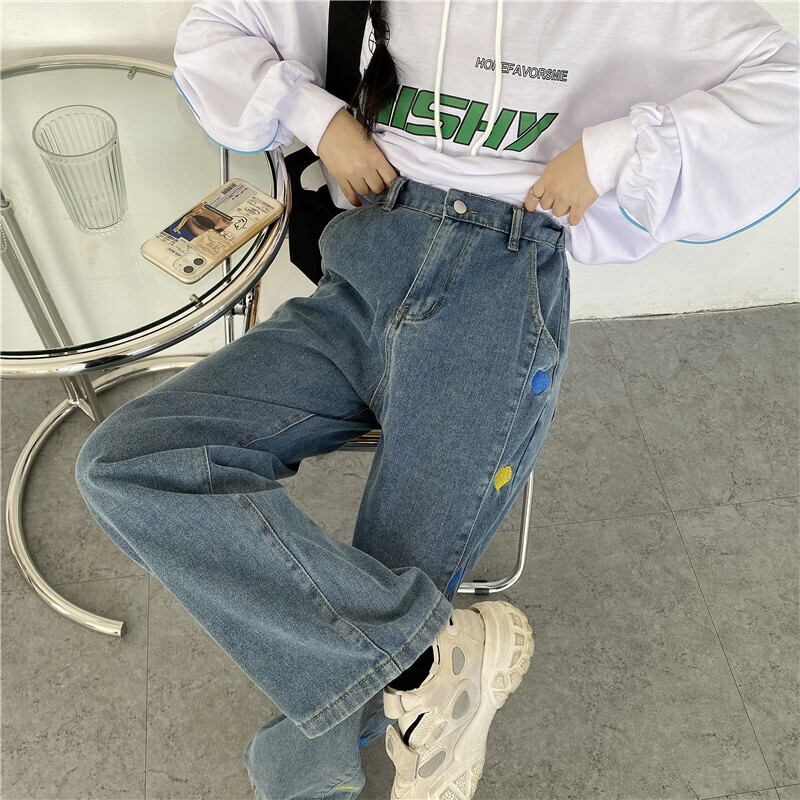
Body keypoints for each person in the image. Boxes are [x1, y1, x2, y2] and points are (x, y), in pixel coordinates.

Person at [75, 1, 798, 798]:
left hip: (497, 286)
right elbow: (214, 32)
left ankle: (367, 710)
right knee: (127, 462)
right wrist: (320, 119)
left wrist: (610, 150)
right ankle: (431, 661)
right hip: (365, 265)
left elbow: (786, 91)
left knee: (372, 612)